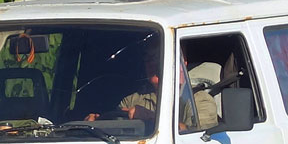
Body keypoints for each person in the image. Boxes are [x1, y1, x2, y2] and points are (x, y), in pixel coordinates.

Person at [86, 53, 217, 130]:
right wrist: (97, 123)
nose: (154, 64)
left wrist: (150, 118)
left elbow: (198, 142)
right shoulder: (133, 99)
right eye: (149, 59)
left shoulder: (200, 100)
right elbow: (117, 130)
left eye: (160, 56)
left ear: (182, 62)